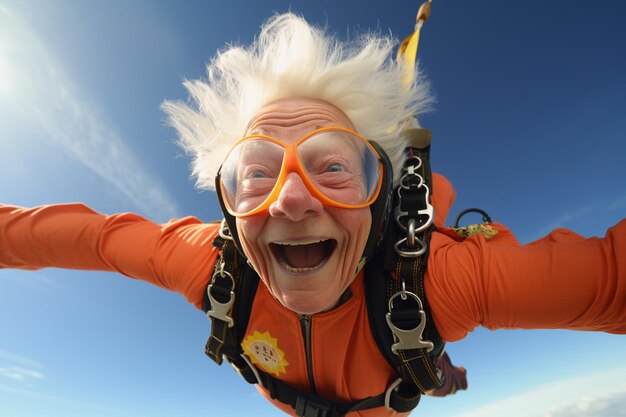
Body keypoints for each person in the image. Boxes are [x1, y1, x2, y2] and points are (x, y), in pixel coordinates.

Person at [1, 12, 625, 417]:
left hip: (394, 376)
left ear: (377, 192)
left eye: (330, 167)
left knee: (430, 367)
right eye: (257, 173)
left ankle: (441, 371)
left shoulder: (441, 277)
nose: (292, 200)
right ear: (230, 207)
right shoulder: (212, 262)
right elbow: (91, 239)